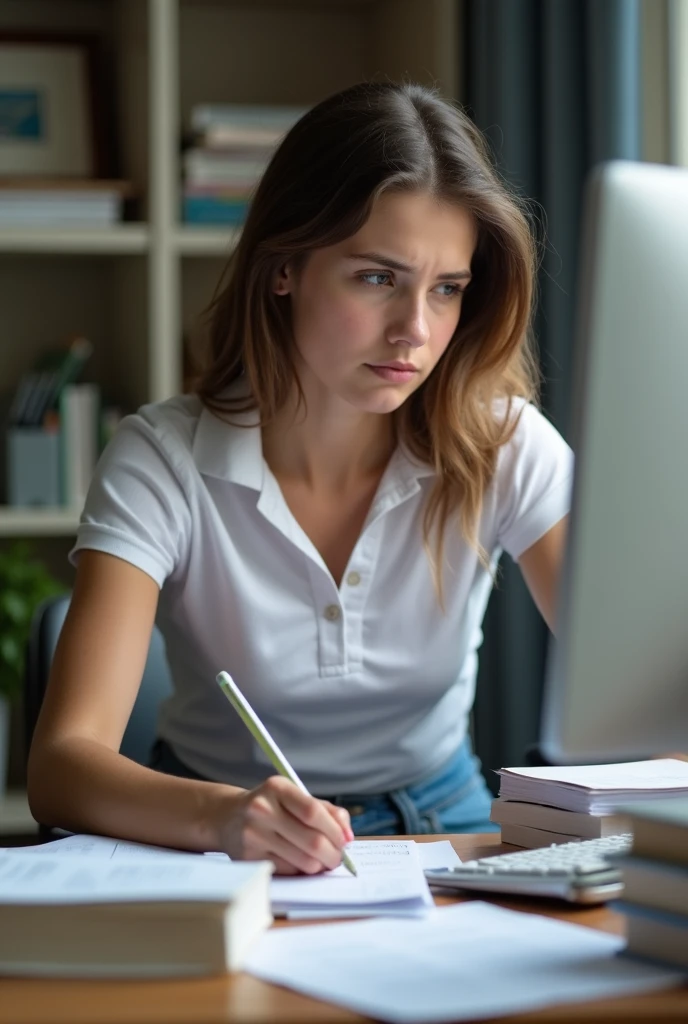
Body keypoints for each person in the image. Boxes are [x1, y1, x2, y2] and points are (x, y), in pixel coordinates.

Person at [27, 82, 572, 876]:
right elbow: (61, 767)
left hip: (446, 822)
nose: (415, 332)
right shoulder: (163, 459)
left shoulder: (503, 443)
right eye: (377, 278)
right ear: (284, 268)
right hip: (210, 831)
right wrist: (228, 817)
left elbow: (636, 696)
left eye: (446, 289)